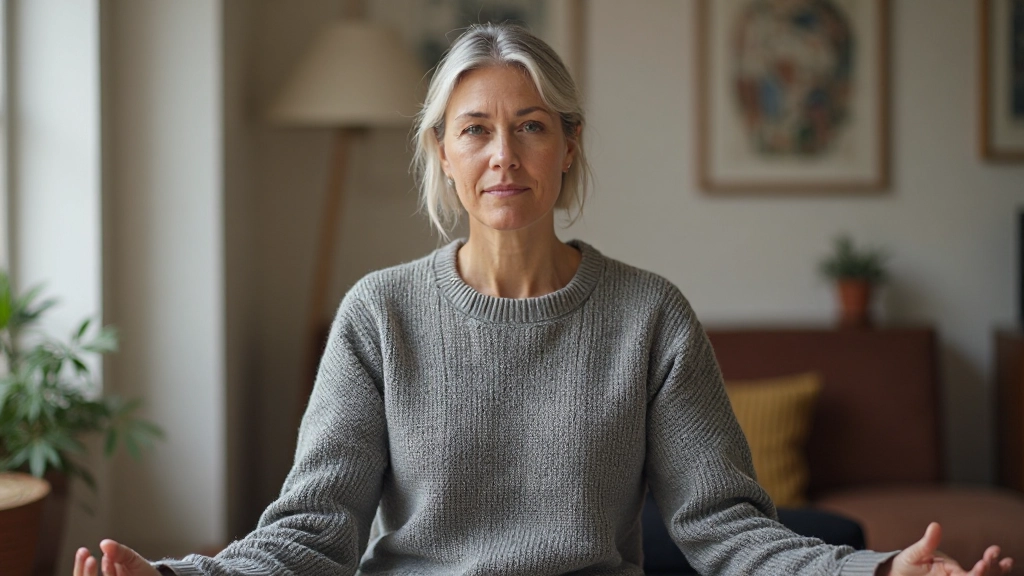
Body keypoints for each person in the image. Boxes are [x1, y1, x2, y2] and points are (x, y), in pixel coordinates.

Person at [74, 23, 1013, 576]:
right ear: (442, 153)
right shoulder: (379, 315)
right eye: (475, 130)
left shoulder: (650, 317)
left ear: (568, 146)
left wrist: (878, 570)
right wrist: (179, 574)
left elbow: (726, 529)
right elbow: (314, 530)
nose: (503, 155)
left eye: (530, 127)